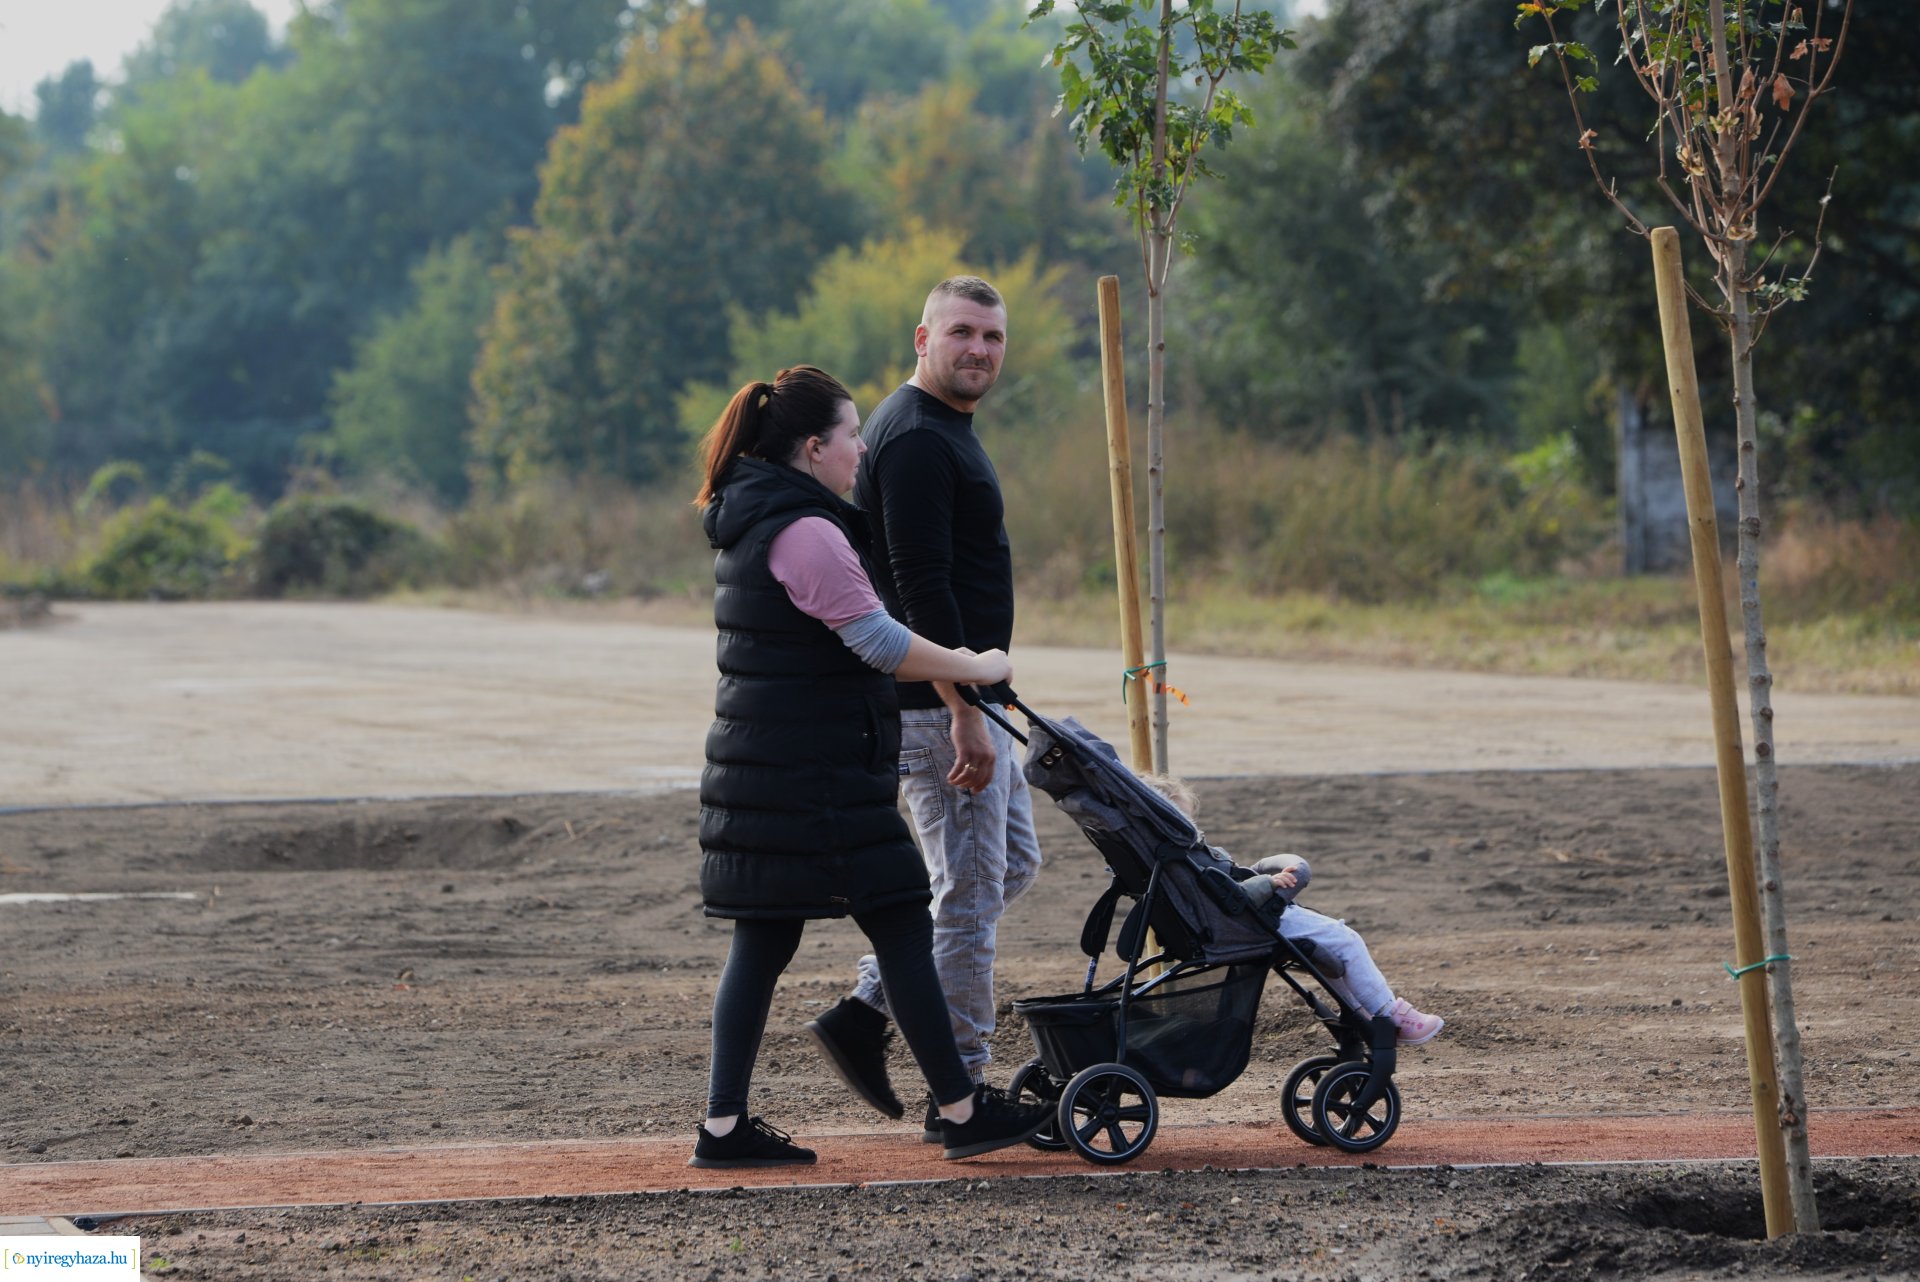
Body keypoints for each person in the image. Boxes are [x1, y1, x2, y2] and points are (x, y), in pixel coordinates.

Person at [690, 364, 1053, 1169]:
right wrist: (977, 668)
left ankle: (723, 1128)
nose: (862, 449)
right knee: (899, 916)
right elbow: (879, 642)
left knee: (765, 939)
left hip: (772, 767)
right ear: (814, 447)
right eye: (851, 435)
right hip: (814, 774)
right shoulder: (805, 530)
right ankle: (960, 1108)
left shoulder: (762, 516)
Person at [805, 276, 1045, 1143]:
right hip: (937, 712)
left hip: (963, 701)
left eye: (993, 336)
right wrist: (963, 709)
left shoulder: (941, 429)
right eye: (962, 332)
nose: (979, 349)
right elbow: (915, 587)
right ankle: (964, 1095)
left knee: (1008, 869)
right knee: (970, 897)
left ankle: (866, 1010)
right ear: (922, 338)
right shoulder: (911, 437)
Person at [1138, 773, 1445, 1047]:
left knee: (1331, 952)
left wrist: (1255, 877)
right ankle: (1388, 1013)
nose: (1192, 828)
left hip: (1229, 922)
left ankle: (1362, 1011)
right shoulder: (1182, 855)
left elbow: (1220, 889)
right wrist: (1268, 883)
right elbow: (1226, 895)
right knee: (1346, 941)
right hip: (1250, 922)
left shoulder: (1168, 857)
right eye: (1186, 821)